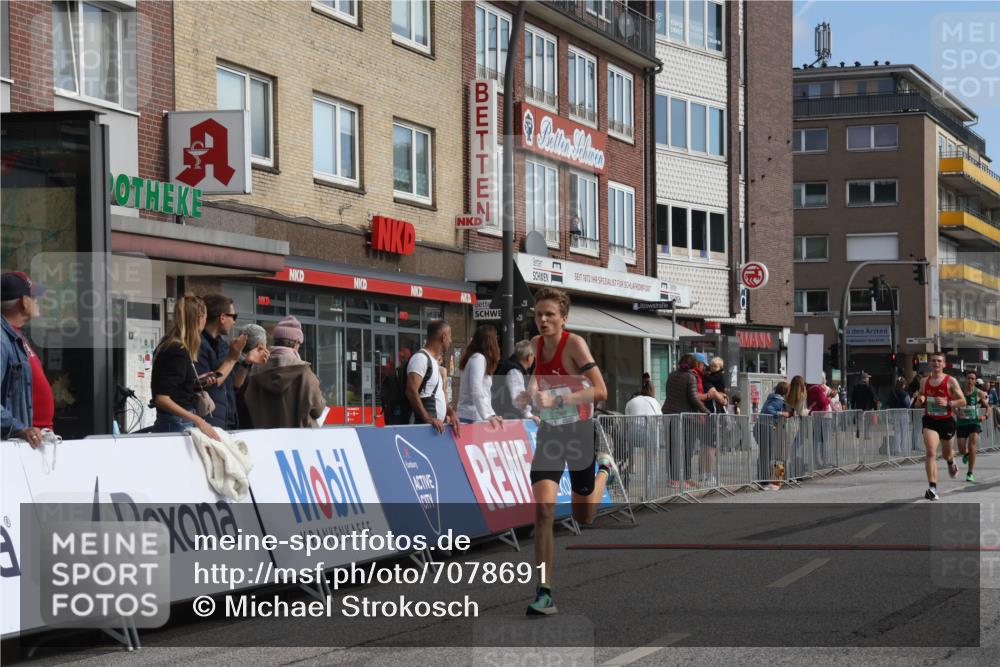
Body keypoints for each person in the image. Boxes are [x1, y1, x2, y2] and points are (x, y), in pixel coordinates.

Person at [515, 287, 615, 616]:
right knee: (542, 511)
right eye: (538, 314)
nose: (542, 320)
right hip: (551, 434)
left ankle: (604, 472)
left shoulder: (575, 345)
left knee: (583, 515)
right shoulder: (534, 345)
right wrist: (526, 396)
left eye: (549, 315)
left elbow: (600, 391)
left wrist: (558, 399)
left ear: (563, 319)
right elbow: (536, 379)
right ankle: (544, 592)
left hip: (579, 432)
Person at [150, 295, 220, 440]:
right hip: (177, 423)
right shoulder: (178, 350)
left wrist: (192, 383)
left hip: (172, 421)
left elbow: (169, 387)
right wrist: (198, 420)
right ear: (199, 319)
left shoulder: (168, 344)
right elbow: (162, 398)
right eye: (205, 317)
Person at [196, 294, 268, 430]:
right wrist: (233, 358)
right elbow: (207, 384)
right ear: (222, 317)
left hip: (228, 420)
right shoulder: (199, 345)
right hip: (209, 422)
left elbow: (234, 385)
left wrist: (247, 362)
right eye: (233, 317)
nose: (234, 322)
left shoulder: (223, 346)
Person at [242, 316, 326, 428]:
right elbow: (318, 410)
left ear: (275, 341)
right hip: (296, 442)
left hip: (262, 440)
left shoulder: (255, 370)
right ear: (296, 343)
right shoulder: (304, 372)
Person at [1, 272, 53, 447]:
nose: (37, 302)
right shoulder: (2, 339)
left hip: (33, 443)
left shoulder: (16, 336)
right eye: (34, 297)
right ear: (24, 301)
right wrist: (20, 429)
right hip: (19, 447)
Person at [912, 351, 966, 500]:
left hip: (946, 421)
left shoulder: (950, 381)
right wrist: (920, 400)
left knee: (947, 453)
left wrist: (948, 403)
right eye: (933, 361)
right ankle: (932, 488)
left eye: (939, 361)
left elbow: (962, 401)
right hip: (930, 420)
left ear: (943, 364)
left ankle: (950, 461)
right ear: (930, 363)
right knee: (931, 453)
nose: (936, 363)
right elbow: (922, 394)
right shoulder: (924, 380)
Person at [405, 320, 459, 434]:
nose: (451, 341)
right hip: (422, 429)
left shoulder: (433, 361)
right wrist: (428, 419)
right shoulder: (420, 359)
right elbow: (411, 391)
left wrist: (450, 413)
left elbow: (435, 393)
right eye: (449, 337)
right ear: (443, 337)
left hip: (433, 429)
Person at [457, 325, 503, 427]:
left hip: (474, 415)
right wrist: (487, 415)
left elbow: (484, 394)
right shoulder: (478, 358)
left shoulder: (475, 358)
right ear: (490, 341)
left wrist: (491, 414)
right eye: (496, 338)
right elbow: (476, 389)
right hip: (472, 417)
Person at [955, 370, 989, 482]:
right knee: (961, 448)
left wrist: (984, 416)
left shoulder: (979, 392)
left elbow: (988, 407)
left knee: (972, 445)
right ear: (965, 379)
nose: (970, 380)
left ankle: (970, 473)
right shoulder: (959, 392)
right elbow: (953, 405)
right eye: (968, 378)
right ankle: (965, 455)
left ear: (975, 381)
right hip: (961, 423)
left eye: (972, 379)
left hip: (974, 422)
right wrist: (956, 412)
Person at [757, 382, 790, 490]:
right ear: (786, 391)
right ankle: (765, 482)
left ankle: (763, 480)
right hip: (766, 427)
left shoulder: (772, 397)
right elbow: (769, 410)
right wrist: (781, 414)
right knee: (767, 455)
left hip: (761, 426)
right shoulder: (778, 400)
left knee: (764, 454)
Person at [493, 339, 536, 420]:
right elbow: (518, 399)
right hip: (510, 419)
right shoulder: (514, 371)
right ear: (529, 357)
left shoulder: (512, 367)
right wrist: (529, 415)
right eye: (533, 356)